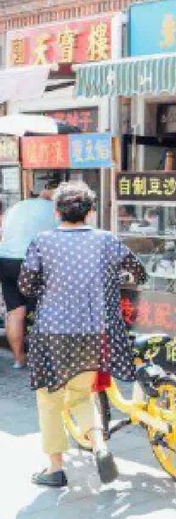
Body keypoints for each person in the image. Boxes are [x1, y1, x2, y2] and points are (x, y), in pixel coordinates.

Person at [20, 182, 147, 487]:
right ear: (91, 212)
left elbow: (26, 285)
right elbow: (138, 273)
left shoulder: (42, 241)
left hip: (53, 331)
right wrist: (110, 278)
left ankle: (55, 469)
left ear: (56, 212)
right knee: (81, 394)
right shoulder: (106, 240)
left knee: (50, 399)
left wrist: (51, 291)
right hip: (93, 330)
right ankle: (100, 446)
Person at [0, 177, 59, 369]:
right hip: (31, 263)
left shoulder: (18, 206)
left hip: (6, 261)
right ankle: (43, 360)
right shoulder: (54, 211)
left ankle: (19, 360)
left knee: (15, 312)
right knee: (41, 312)